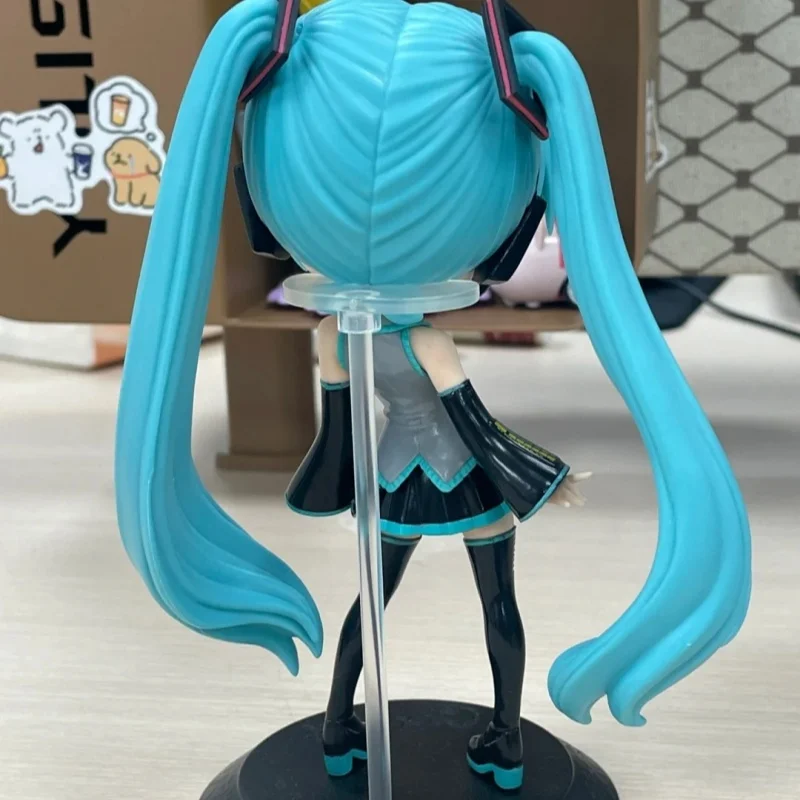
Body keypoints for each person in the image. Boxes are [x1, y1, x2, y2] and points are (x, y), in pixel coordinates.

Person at [115, 0, 751, 791]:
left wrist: (335, 482)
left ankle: (339, 724)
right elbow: (473, 427)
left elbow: (342, 429)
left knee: (371, 605)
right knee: (496, 605)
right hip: (465, 482)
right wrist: (539, 477)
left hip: (392, 476)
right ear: (513, 214)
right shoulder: (430, 342)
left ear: (266, 205)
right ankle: (505, 739)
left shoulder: (331, 337)